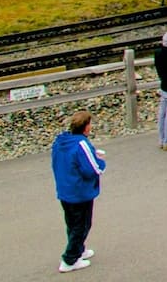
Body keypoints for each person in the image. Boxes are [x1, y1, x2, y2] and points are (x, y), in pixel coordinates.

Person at [51, 111, 106, 273]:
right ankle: (69, 259)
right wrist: (101, 162)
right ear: (85, 127)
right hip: (79, 191)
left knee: (72, 223)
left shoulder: (60, 142)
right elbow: (92, 169)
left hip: (65, 189)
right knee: (82, 225)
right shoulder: (82, 144)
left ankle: (79, 249)